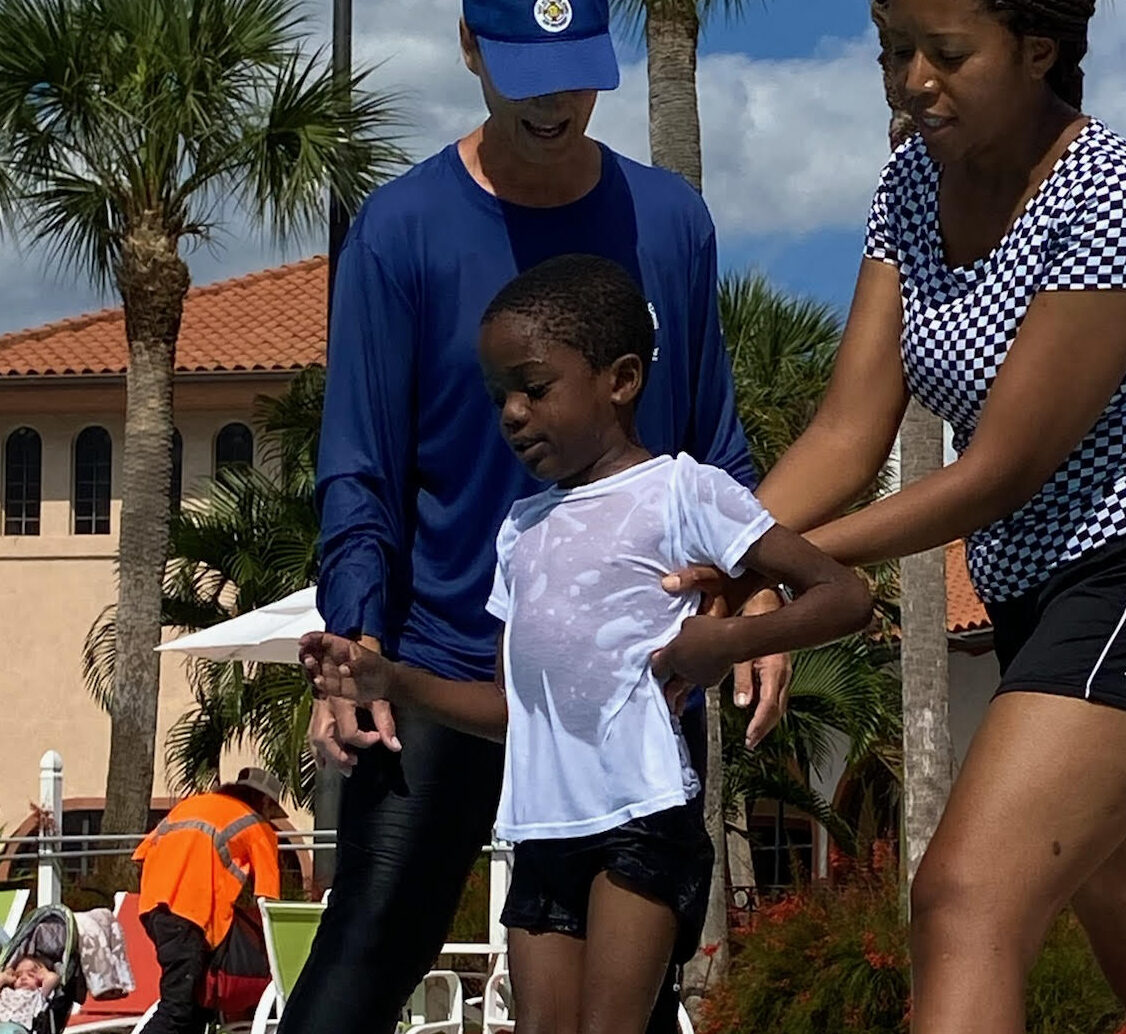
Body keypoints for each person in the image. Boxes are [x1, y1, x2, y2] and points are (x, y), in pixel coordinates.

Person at [667, 0, 1126, 1029]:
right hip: (1047, 603)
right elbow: (848, 432)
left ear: (1037, 51)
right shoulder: (910, 183)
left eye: (946, 54)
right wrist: (724, 552)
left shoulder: (1110, 189)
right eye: (894, 52)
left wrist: (782, 562)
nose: (912, 80)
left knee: (963, 898)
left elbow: (1003, 468)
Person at [291, 1, 791, 1031]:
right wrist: (355, 640)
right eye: (523, 66)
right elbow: (360, 475)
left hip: (622, 693)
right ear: (469, 48)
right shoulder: (399, 232)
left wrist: (753, 587)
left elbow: (712, 445)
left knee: (629, 1011)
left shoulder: (670, 221)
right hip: (440, 672)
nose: (554, 98)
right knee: (348, 988)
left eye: (574, 67)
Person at [300, 254, 874, 1034]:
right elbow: (511, 714)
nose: (510, 412)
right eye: (498, 394)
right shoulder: (520, 532)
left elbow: (845, 596)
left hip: (640, 817)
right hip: (542, 829)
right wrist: (390, 679)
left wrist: (724, 640)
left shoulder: (682, 492)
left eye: (533, 388)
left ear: (622, 379)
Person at [131, 768, 284, 1034]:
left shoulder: (191, 806)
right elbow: (269, 901)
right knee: (177, 1010)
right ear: (266, 802)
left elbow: (142, 853)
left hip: (154, 908)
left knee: (195, 1006)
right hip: (191, 916)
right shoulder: (256, 824)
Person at [0, 954, 61, 1034]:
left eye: (30, 975)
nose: (23, 978)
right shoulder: (6, 991)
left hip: (18, 1029)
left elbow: (53, 978)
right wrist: (4, 978)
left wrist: (44, 972)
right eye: (18, 975)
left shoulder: (38, 994)